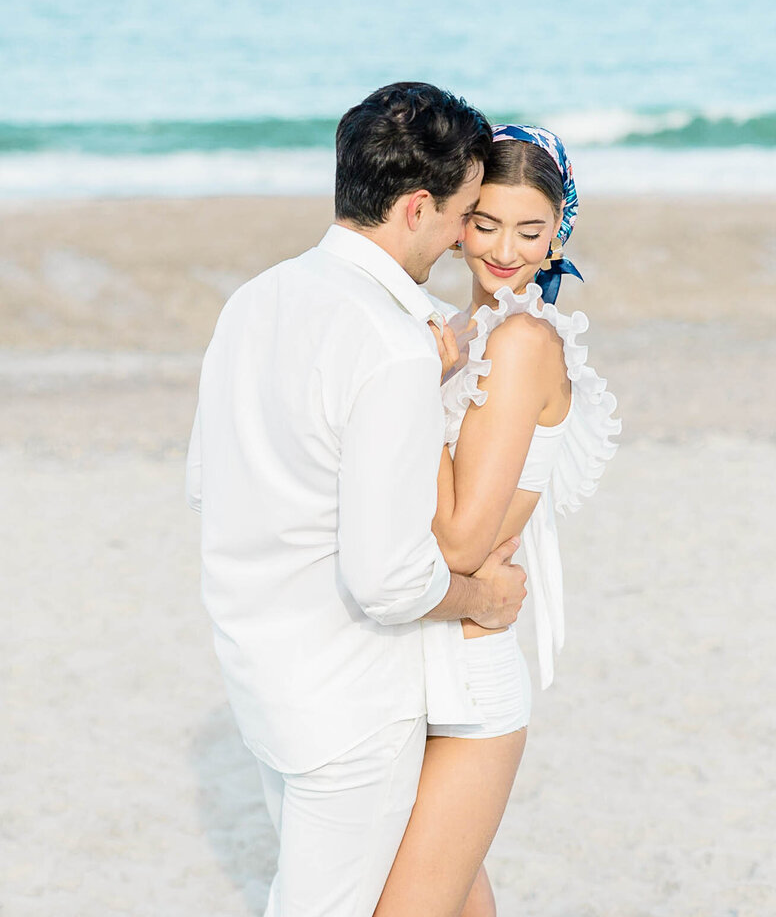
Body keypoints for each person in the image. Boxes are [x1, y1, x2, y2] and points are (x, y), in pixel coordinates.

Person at [185, 84, 528, 917]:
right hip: (349, 703)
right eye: (460, 214)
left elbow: (207, 480)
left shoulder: (256, 299)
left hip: (260, 668)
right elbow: (389, 582)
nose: (462, 238)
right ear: (416, 207)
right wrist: (484, 594)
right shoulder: (388, 346)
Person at [374, 125, 621, 917]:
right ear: (456, 221)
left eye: (531, 229)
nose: (505, 250)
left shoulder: (519, 341)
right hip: (415, 653)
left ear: (560, 233)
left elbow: (460, 541)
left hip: (467, 676)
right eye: (485, 224)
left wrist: (417, 388)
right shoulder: (460, 331)